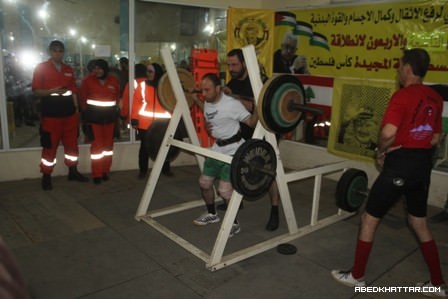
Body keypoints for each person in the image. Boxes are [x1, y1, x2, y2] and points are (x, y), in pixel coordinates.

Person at [331, 48, 448, 298]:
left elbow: (386, 133)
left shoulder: (402, 96)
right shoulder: (435, 98)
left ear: (407, 68)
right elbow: (435, 138)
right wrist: (410, 143)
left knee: (369, 218)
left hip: (401, 165)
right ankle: (437, 284)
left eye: (399, 65)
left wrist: (381, 151)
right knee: (419, 222)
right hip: (422, 166)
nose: (397, 70)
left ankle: (357, 276)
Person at [222, 48, 282, 231]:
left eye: (235, 64)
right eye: (229, 65)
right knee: (236, 165)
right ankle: (236, 202)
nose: (231, 68)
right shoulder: (233, 82)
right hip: (245, 132)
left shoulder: (260, 82)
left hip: (266, 133)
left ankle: (275, 210)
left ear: (244, 64)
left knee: (268, 172)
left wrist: (232, 97)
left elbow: (255, 106)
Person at [193, 73, 258, 237]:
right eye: (202, 91)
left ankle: (234, 224)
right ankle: (212, 214)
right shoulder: (207, 101)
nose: (204, 94)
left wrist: (258, 107)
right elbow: (210, 113)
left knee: (224, 191)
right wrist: (196, 101)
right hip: (218, 148)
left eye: (207, 90)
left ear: (218, 88)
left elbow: (251, 122)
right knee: (204, 183)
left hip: (234, 150)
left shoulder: (232, 105)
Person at [31, 40, 89, 190]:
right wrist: (53, 91)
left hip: (69, 114)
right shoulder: (41, 68)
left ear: (64, 52)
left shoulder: (68, 69)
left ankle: (73, 171)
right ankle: (46, 175)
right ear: (50, 52)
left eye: (60, 51)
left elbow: (74, 91)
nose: (58, 53)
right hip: (51, 115)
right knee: (50, 147)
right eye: (55, 50)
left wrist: (77, 110)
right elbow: (36, 91)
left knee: (72, 146)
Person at [79, 59, 120, 184]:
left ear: (105, 69)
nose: (97, 71)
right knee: (97, 148)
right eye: (95, 68)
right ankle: (96, 174)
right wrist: (86, 116)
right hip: (94, 120)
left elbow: (117, 98)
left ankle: (105, 171)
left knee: (108, 147)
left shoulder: (113, 80)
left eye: (99, 68)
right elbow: (82, 99)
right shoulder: (87, 81)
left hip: (110, 119)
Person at [129, 63, 173, 178]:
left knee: (164, 147)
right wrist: (134, 119)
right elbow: (136, 103)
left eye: (150, 71)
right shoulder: (142, 86)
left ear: (157, 73)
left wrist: (173, 119)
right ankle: (143, 171)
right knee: (144, 149)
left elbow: (171, 102)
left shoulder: (165, 86)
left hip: (162, 123)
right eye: (147, 71)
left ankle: (165, 169)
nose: (147, 74)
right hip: (145, 124)